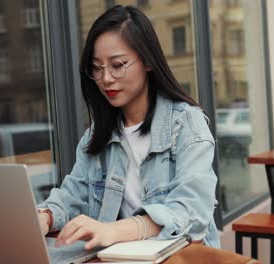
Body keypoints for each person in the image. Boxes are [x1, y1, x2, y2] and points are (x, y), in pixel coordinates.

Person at [36, 5, 220, 250]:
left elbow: (192, 212)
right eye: (97, 67)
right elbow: (73, 195)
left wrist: (114, 230)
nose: (106, 78)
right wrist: (45, 216)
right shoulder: (97, 134)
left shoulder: (186, 123)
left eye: (117, 64)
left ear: (148, 62)